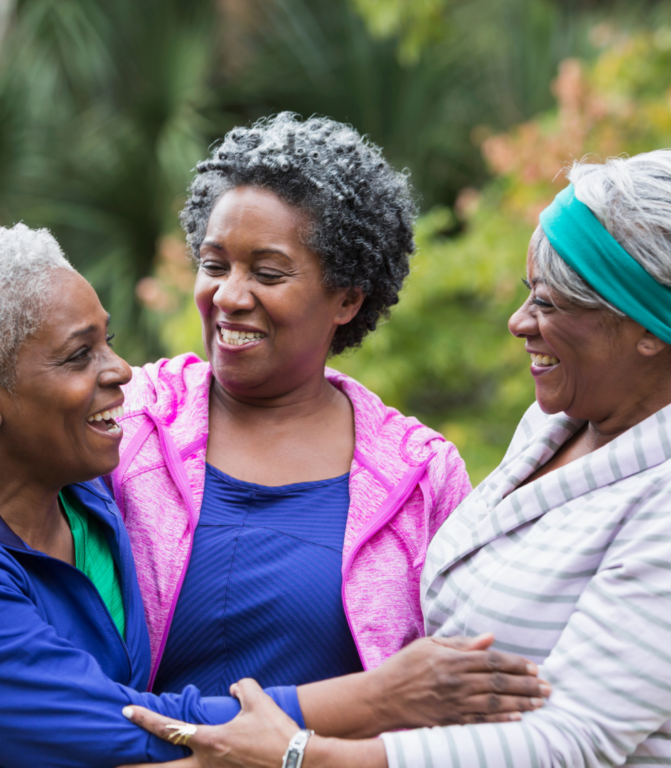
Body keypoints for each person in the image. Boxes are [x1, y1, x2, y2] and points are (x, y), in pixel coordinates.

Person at [124, 149, 671, 767]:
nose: (518, 322)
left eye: (551, 304)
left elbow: (574, 739)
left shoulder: (423, 470)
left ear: (650, 326)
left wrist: (298, 753)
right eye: (214, 264)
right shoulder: (555, 424)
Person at [0, 225, 547, 768]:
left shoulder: (89, 494)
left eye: (108, 341)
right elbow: (100, 725)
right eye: (78, 356)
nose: (121, 371)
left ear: (347, 299)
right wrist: (376, 698)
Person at [110, 113, 472, 694]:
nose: (229, 296)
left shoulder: (422, 477)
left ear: (348, 300)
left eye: (268, 273)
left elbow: (453, 684)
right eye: (214, 265)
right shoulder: (129, 419)